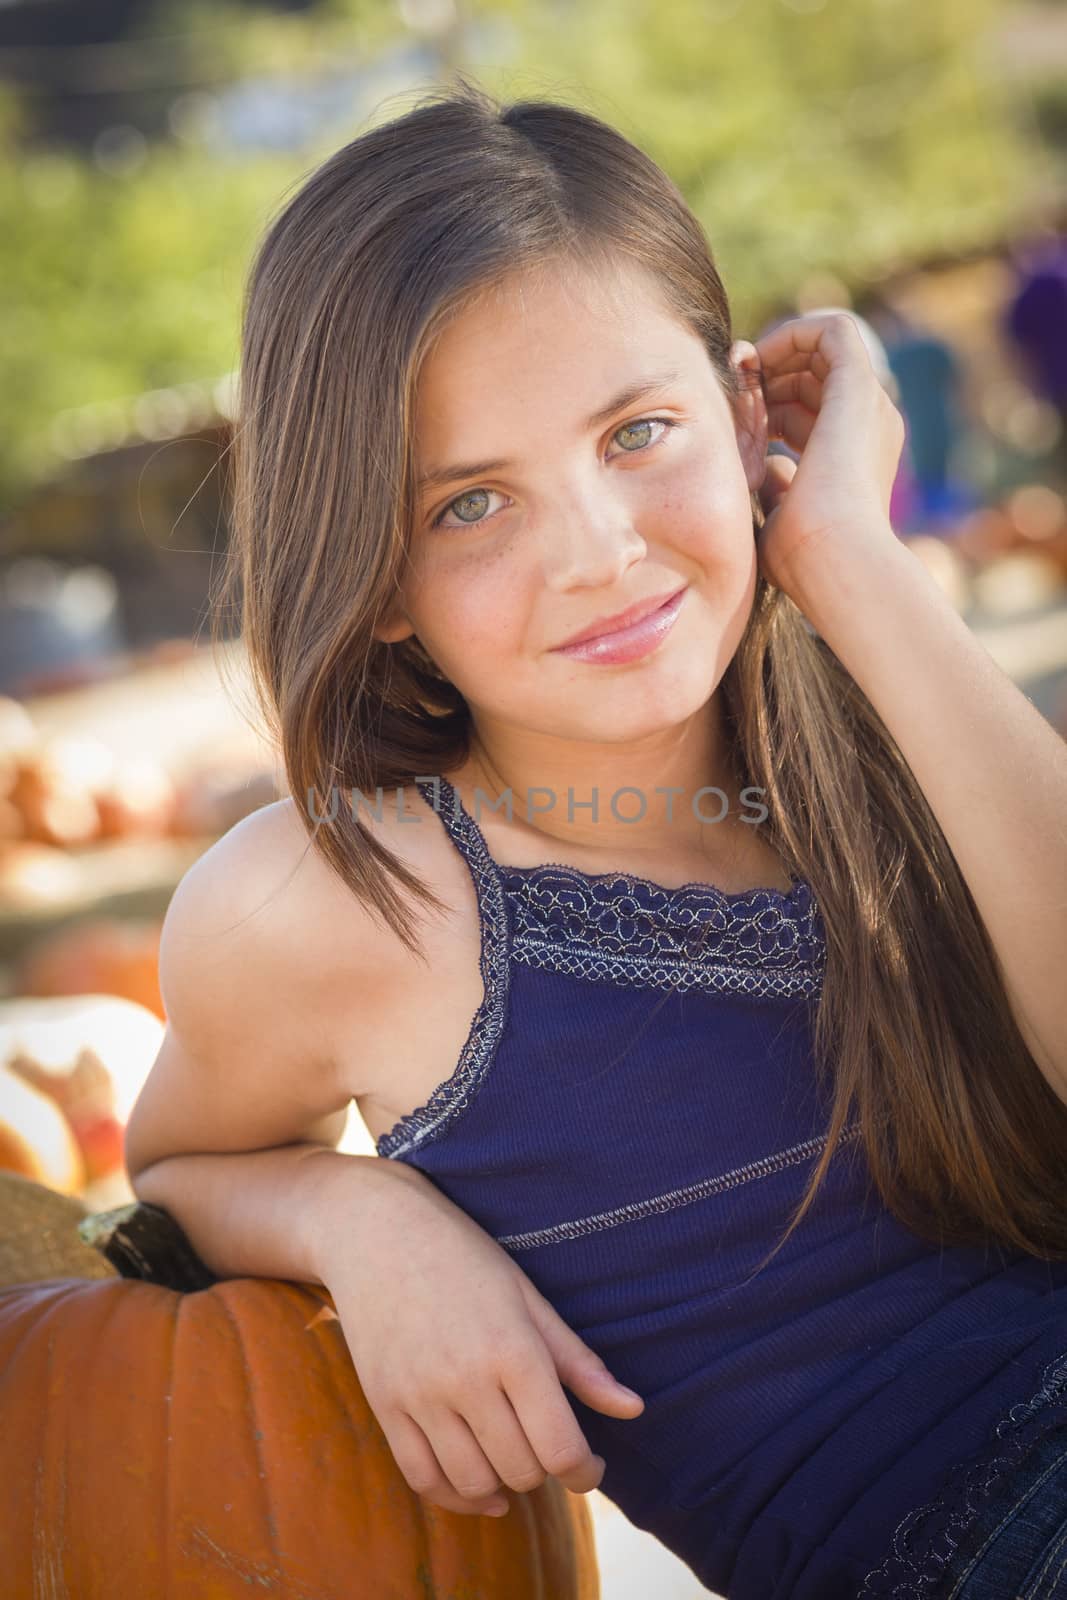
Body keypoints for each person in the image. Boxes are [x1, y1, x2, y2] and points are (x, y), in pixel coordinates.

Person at [123, 80, 1067, 1600]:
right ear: (371, 573)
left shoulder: (907, 721)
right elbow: (176, 1163)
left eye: (640, 430)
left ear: (747, 412)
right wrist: (353, 1214)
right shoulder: (336, 905)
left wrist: (851, 559)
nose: (600, 553)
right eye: (472, 504)